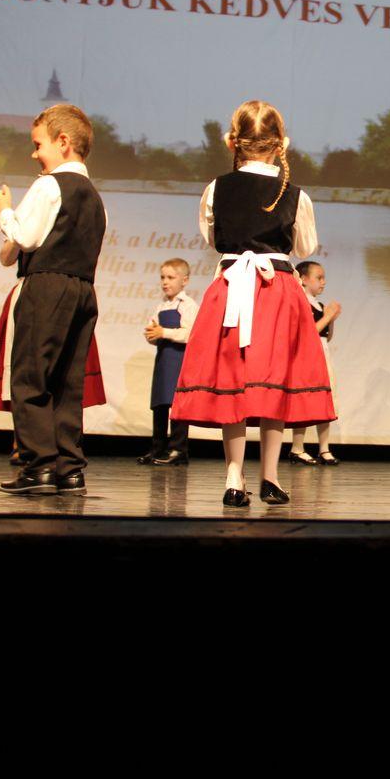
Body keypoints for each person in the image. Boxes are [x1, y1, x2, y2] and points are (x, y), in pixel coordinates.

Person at [170, 100, 335, 508]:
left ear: (233, 142)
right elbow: (305, 247)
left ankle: (234, 475)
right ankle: (269, 476)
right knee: (274, 379)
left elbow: (212, 238)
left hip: (232, 286)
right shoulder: (295, 194)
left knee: (235, 377)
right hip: (276, 290)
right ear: (281, 144)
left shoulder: (217, 188)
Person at [0, 104, 105, 496]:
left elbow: (24, 237)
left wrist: (4, 211)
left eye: (39, 144)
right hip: (83, 289)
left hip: (47, 286)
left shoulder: (49, 185)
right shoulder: (95, 196)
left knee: (31, 375)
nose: (34, 153)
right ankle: (69, 469)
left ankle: (38, 465)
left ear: (63, 142)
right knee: (67, 383)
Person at [0, 236, 107, 467]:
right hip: (32, 287)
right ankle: (25, 442)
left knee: (65, 371)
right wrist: (14, 227)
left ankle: (62, 447)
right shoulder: (31, 219)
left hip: (67, 288)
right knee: (27, 369)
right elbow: (7, 258)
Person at [139, 258, 199, 466]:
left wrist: (163, 332)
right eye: (163, 277)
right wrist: (152, 335)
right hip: (163, 360)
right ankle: (157, 448)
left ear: (185, 280)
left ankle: (178, 449)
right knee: (160, 404)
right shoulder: (161, 306)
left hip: (179, 361)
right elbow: (152, 331)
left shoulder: (188, 305)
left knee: (177, 405)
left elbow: (191, 334)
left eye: (171, 277)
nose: (165, 282)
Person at [289, 260, 341, 465]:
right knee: (304, 399)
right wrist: (327, 316)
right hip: (306, 356)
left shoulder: (319, 306)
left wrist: (331, 319)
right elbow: (307, 333)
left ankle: (324, 448)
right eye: (318, 277)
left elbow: (326, 337)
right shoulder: (300, 301)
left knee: (325, 398)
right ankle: (297, 448)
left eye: (323, 278)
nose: (323, 282)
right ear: (303, 279)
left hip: (322, 353)